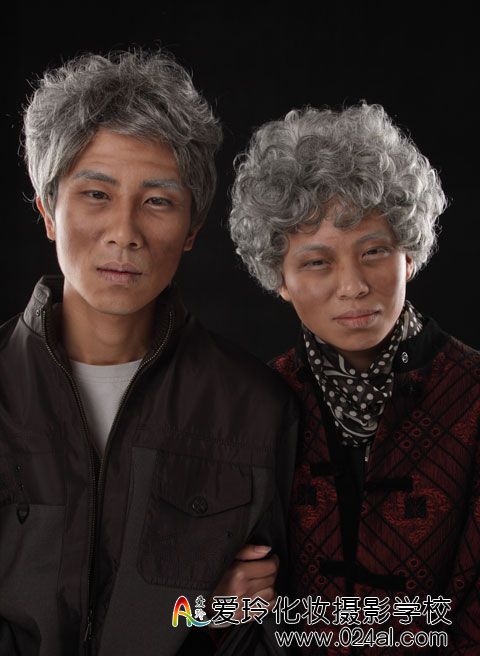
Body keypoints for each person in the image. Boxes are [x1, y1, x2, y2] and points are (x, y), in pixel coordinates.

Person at [0, 49, 297, 656]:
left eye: (158, 201)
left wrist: (206, 615)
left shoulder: (256, 409)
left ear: (191, 229)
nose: (125, 232)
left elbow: (272, 626)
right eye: (96, 194)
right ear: (48, 211)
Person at [229, 103, 480, 653]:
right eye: (317, 262)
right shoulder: (251, 406)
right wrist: (219, 599)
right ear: (279, 278)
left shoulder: (473, 395)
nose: (353, 286)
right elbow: (198, 615)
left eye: (374, 252)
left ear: (408, 255)